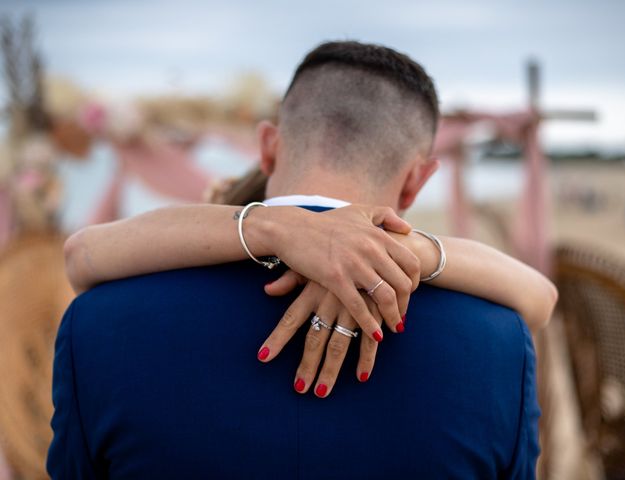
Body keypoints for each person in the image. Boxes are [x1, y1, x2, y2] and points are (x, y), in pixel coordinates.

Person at [48, 41, 550, 478]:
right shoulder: (500, 343)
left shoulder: (96, 324)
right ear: (417, 180)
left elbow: (82, 253)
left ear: (267, 147)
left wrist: (271, 227)